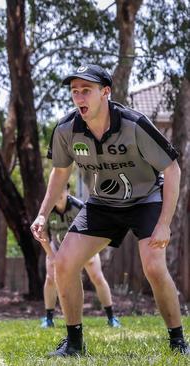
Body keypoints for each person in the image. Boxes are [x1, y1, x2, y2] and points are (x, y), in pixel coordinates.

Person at [31, 64, 188, 357]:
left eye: (86, 90)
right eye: (74, 91)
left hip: (146, 199)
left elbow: (172, 168)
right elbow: (60, 173)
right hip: (102, 203)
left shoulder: (134, 123)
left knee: (153, 266)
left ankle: (178, 342)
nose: (79, 97)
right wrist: (42, 212)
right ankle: (74, 344)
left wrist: (164, 223)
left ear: (105, 92)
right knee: (63, 263)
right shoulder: (67, 129)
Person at [37, 183, 120, 329]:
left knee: (98, 278)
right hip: (57, 249)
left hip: (83, 249)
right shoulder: (47, 210)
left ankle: (111, 317)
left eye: (62, 189)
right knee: (50, 279)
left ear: (68, 191)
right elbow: (42, 233)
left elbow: (93, 230)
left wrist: (89, 253)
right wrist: (51, 255)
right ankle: (49, 319)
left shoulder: (79, 206)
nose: (59, 193)